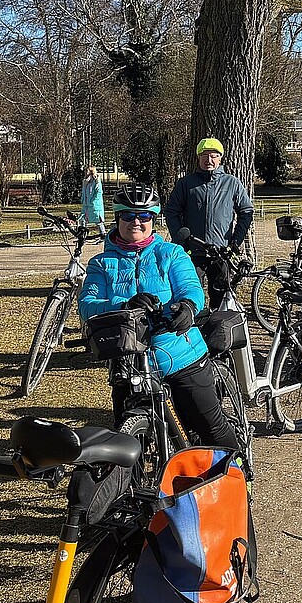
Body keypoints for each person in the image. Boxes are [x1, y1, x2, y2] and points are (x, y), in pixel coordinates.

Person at [78, 182, 239, 448]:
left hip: (180, 356)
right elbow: (87, 305)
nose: (136, 222)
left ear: (153, 219)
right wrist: (124, 304)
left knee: (210, 427)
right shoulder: (101, 264)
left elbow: (191, 289)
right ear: (117, 218)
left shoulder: (171, 253)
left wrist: (187, 307)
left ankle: (238, 469)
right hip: (129, 362)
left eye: (144, 216)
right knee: (127, 444)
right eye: (128, 215)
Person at [165, 138, 254, 250]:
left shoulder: (232, 183)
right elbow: (171, 211)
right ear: (198, 158)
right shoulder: (186, 183)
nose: (209, 160)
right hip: (192, 251)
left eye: (213, 156)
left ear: (220, 158)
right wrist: (180, 241)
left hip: (221, 251)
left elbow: (246, 211)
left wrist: (236, 241)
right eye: (204, 155)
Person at [81, 165, 104, 229]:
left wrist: (93, 201)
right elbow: (84, 191)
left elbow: (99, 192)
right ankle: (83, 232)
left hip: (94, 205)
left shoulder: (96, 180)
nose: (85, 172)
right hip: (86, 205)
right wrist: (83, 199)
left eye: (87, 170)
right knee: (82, 219)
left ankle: (103, 232)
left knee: (98, 220)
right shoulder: (85, 181)